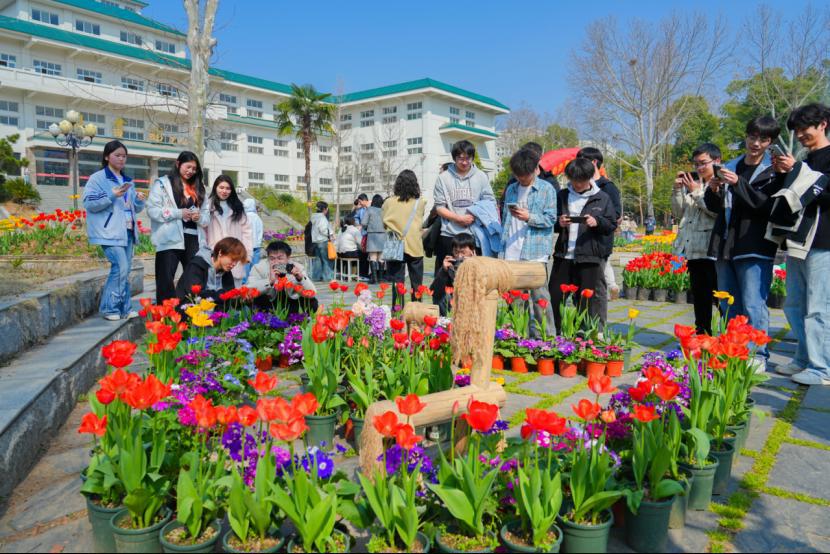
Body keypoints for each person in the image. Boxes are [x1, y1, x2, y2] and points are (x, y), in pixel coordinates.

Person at [704, 116, 781, 372]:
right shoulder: (731, 165)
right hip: (726, 243)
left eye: (763, 139)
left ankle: (758, 354)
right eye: (752, 137)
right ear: (745, 136)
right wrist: (713, 190)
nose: (755, 143)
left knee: (753, 302)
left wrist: (738, 183)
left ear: (770, 143)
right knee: (728, 303)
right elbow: (716, 208)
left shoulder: (773, 170)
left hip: (755, 244)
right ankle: (733, 349)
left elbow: (765, 206)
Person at [770, 103, 830, 385]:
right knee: (794, 303)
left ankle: (822, 368)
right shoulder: (805, 158)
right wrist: (786, 172)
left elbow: (823, 194)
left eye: (805, 127)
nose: (800, 134)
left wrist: (798, 171)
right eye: (796, 129)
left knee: (819, 306)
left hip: (824, 242)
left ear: (823, 124)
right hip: (798, 241)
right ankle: (804, 359)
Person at [548, 158, 617, 332]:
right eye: (573, 180)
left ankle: (584, 337)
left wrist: (597, 221)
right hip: (563, 255)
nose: (577, 184)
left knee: (586, 302)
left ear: (589, 178)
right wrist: (559, 222)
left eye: (581, 180)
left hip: (589, 257)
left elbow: (611, 225)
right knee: (555, 297)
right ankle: (555, 335)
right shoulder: (562, 195)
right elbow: (550, 220)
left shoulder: (602, 197)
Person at [83, 140, 146, 321]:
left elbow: (134, 208)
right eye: (117, 155)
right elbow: (89, 203)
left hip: (127, 230)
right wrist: (112, 194)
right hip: (108, 232)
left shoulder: (128, 180)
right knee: (121, 267)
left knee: (124, 270)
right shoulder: (98, 178)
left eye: (124, 156)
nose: (121, 159)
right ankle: (110, 308)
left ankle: (124, 309)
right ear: (106, 156)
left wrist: (139, 200)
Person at [501, 148, 557, 337]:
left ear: (535, 170)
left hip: (535, 252)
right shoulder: (511, 189)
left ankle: (547, 339)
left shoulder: (546, 189)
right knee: (515, 301)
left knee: (540, 299)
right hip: (512, 251)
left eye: (525, 175)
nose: (522, 179)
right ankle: (519, 338)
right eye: (518, 175)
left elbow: (551, 219)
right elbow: (505, 220)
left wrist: (529, 217)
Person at [672, 143, 720, 335]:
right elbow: (678, 212)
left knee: (719, 297)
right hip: (693, 249)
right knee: (700, 297)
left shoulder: (720, 182)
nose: (699, 168)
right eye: (696, 164)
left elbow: (715, 212)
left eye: (703, 163)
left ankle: (727, 339)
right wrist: (677, 191)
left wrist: (697, 191)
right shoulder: (695, 183)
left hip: (712, 249)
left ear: (716, 161)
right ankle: (702, 334)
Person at [147, 151, 206, 303]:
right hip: (169, 238)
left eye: (194, 168)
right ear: (178, 163)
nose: (191, 171)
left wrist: (199, 217)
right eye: (188, 167)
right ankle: (165, 317)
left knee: (194, 278)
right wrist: (178, 213)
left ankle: (190, 312)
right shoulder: (162, 184)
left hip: (193, 238)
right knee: (165, 279)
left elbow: (207, 217)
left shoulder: (198, 188)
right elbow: (152, 210)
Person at [433, 140, 495, 265]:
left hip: (474, 234)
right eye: (461, 158)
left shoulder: (481, 176)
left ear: (472, 157)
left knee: (474, 274)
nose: (465, 162)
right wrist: (458, 218)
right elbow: (439, 207)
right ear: (454, 158)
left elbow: (489, 201)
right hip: (449, 234)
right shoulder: (443, 178)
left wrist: (474, 215)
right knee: (448, 274)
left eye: (468, 158)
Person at [578, 147, 623, 312]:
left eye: (581, 161)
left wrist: (596, 219)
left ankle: (598, 323)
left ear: (593, 162)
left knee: (598, 282)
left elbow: (616, 214)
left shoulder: (607, 187)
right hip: (579, 244)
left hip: (599, 242)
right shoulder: (577, 185)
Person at [383, 170, 426, 305]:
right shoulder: (421, 202)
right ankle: (416, 310)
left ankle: (397, 313)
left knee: (397, 283)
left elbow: (383, 223)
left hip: (395, 245)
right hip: (415, 245)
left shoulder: (388, 202)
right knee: (417, 284)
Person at [201, 175, 252, 287]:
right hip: (216, 253)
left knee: (234, 290)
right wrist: (205, 251)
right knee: (215, 289)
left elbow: (246, 231)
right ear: (215, 188)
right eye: (221, 187)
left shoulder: (238, 206)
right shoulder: (207, 206)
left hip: (235, 254)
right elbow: (202, 231)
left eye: (228, 188)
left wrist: (247, 253)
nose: (224, 191)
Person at [253, 240, 319, 314]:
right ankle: (263, 321)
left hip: (291, 303)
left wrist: (300, 279)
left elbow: (313, 293)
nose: (276, 262)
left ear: (288, 258)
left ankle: (299, 319)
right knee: (258, 299)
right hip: (269, 302)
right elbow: (250, 288)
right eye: (272, 258)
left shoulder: (296, 267)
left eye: (280, 258)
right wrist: (270, 281)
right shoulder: (259, 268)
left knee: (312, 302)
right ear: (268, 258)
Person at [176, 237, 247, 304]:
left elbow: (229, 299)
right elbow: (194, 294)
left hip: (215, 313)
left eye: (236, 261)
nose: (234, 264)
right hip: (191, 311)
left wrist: (241, 299)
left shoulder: (227, 272)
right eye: (232, 259)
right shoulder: (197, 265)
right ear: (220, 252)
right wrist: (220, 294)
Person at [431, 234, 476, 315]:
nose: (459, 256)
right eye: (456, 252)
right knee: (442, 296)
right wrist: (444, 271)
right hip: (453, 303)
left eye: (463, 252)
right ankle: (445, 320)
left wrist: (475, 264)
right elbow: (434, 292)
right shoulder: (449, 264)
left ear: (472, 251)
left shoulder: (480, 265)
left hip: (472, 303)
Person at [309, 201, 335, 281]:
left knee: (318, 261)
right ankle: (327, 277)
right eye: (327, 208)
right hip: (323, 241)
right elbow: (323, 229)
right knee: (327, 260)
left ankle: (316, 277)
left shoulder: (314, 217)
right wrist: (330, 234)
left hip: (316, 242)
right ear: (324, 209)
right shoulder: (322, 218)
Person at [364, 194, 386, 283]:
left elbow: (364, 222)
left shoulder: (369, 210)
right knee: (381, 257)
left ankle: (374, 279)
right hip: (383, 235)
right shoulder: (384, 210)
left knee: (373, 256)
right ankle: (380, 278)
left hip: (372, 235)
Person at [242, 198, 264, 285]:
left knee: (245, 268)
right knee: (255, 267)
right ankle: (254, 285)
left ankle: (244, 285)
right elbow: (260, 232)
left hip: (246, 246)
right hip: (257, 246)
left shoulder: (244, 217)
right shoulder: (258, 218)